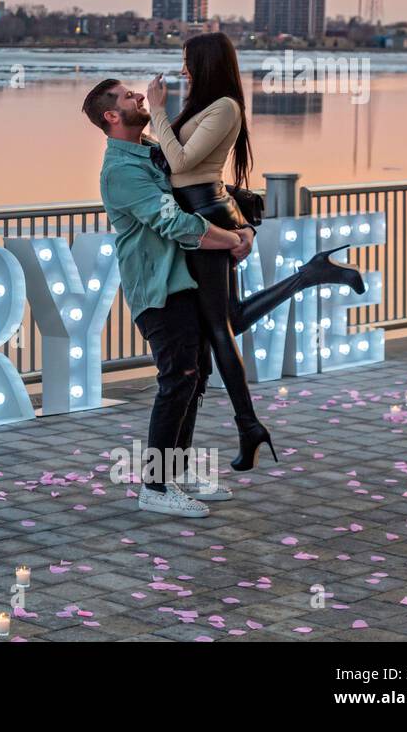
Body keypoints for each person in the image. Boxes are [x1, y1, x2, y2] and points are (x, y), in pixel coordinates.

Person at [147, 31, 366, 470]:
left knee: (217, 327)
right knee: (226, 320)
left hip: (206, 214)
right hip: (203, 211)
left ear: (208, 64)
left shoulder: (224, 107)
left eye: (189, 61)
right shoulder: (206, 107)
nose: (183, 69)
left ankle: (248, 425)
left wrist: (156, 111)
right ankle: (311, 274)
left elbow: (183, 163)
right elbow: (176, 160)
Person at [84, 78, 253, 518]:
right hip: (157, 288)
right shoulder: (121, 171)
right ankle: (155, 487)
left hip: (185, 280)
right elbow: (174, 222)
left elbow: (199, 188)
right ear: (111, 116)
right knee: (177, 377)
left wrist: (243, 227)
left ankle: (173, 472)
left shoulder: (154, 151)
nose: (140, 97)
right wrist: (229, 240)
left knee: (193, 378)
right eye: (128, 97)